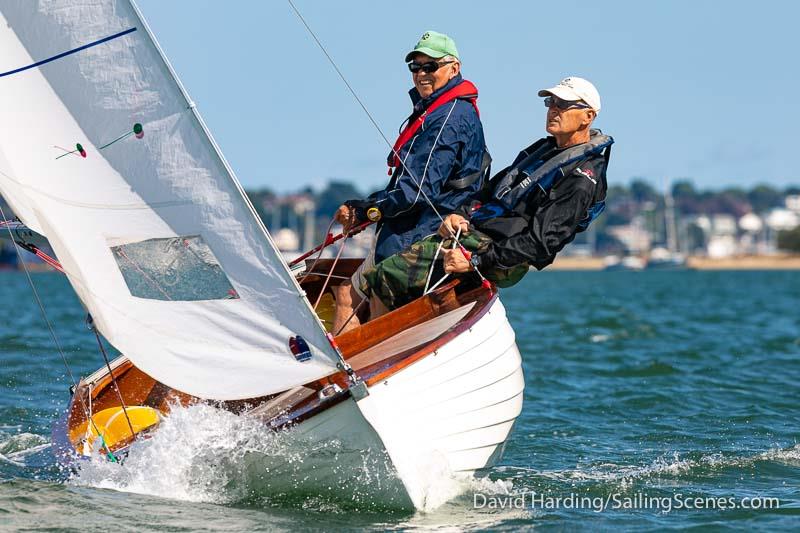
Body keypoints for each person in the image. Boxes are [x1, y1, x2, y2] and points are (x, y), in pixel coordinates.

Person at [360, 77, 614, 311]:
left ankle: (365, 355)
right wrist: (458, 214)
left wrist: (476, 262)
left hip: (498, 254)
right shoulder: (542, 150)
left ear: (587, 116)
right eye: (551, 102)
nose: (553, 109)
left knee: (380, 280)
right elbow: (491, 190)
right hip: (479, 237)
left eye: (564, 104)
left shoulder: (581, 178)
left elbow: (540, 243)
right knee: (387, 273)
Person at [332, 31, 489, 333]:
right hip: (409, 225)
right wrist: (367, 209)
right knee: (347, 296)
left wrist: (366, 210)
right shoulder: (439, 109)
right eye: (415, 67)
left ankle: (357, 377)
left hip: (419, 232)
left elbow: (417, 191)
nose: (421, 74)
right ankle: (340, 375)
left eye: (430, 66)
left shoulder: (449, 117)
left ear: (453, 68)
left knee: (374, 305)